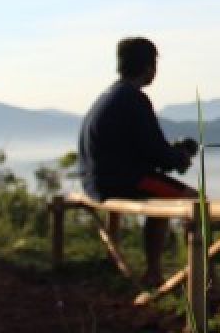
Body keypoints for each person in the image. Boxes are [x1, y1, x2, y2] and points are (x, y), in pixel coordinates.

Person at [79, 36, 200, 285]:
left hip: (96, 181)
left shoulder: (109, 96)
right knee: (196, 203)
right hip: (119, 181)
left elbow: (145, 148)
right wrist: (181, 157)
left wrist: (171, 155)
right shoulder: (134, 99)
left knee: (162, 196)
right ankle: (202, 279)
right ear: (149, 68)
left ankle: (154, 273)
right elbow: (159, 155)